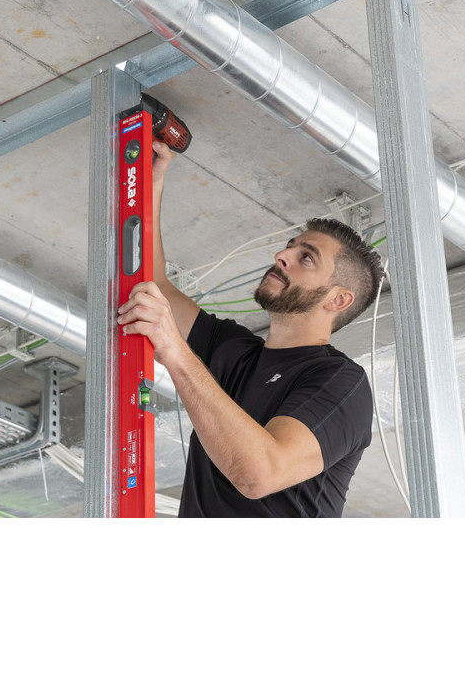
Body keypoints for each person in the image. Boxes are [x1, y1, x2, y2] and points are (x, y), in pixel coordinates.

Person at [117, 140, 385, 518]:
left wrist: (175, 351)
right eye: (290, 247)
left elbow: (259, 475)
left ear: (338, 299)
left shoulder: (339, 382)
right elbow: (156, 285)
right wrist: (152, 182)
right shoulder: (234, 351)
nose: (282, 255)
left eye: (306, 257)